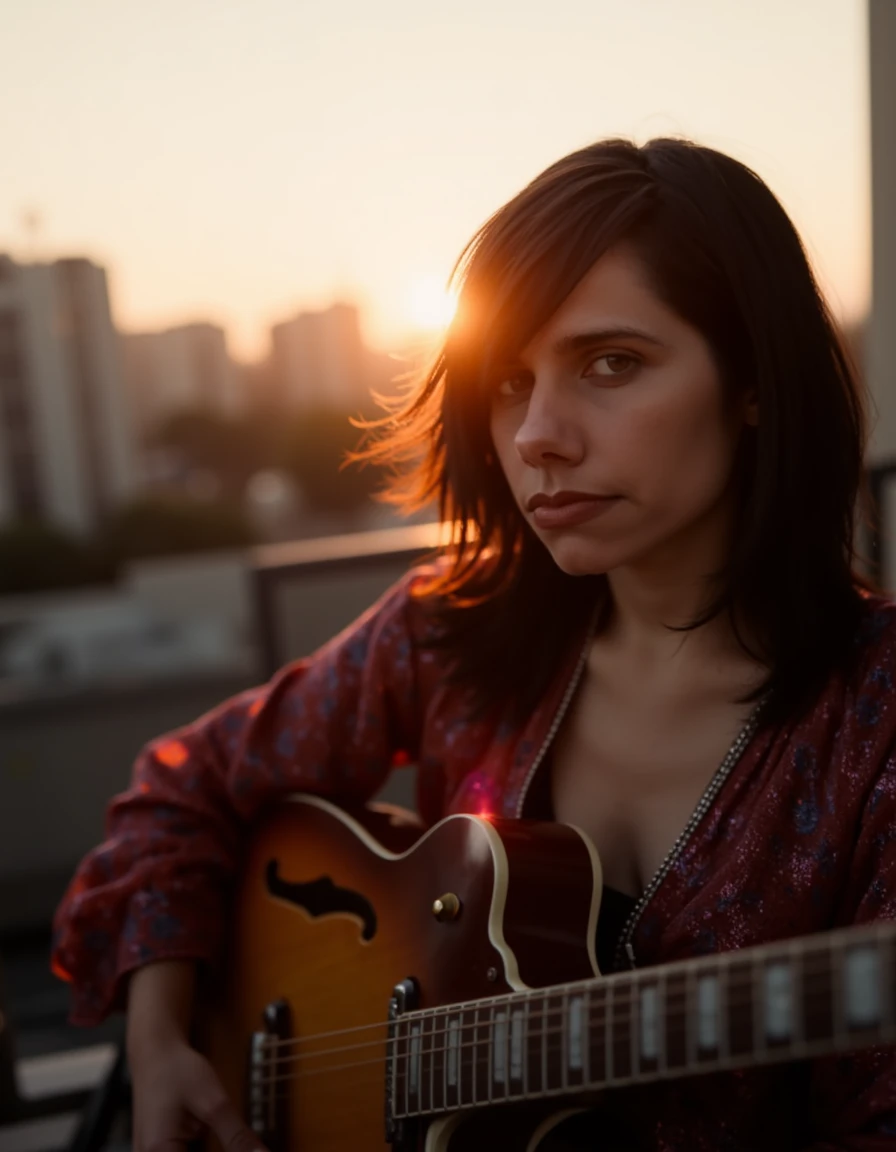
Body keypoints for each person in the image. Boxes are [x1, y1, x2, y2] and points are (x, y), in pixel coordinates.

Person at [52, 137, 896, 1150]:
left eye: (609, 363)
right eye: (506, 382)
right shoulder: (448, 634)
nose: (538, 433)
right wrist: (159, 1044)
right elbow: (181, 792)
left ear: (754, 380)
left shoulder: (876, 717)